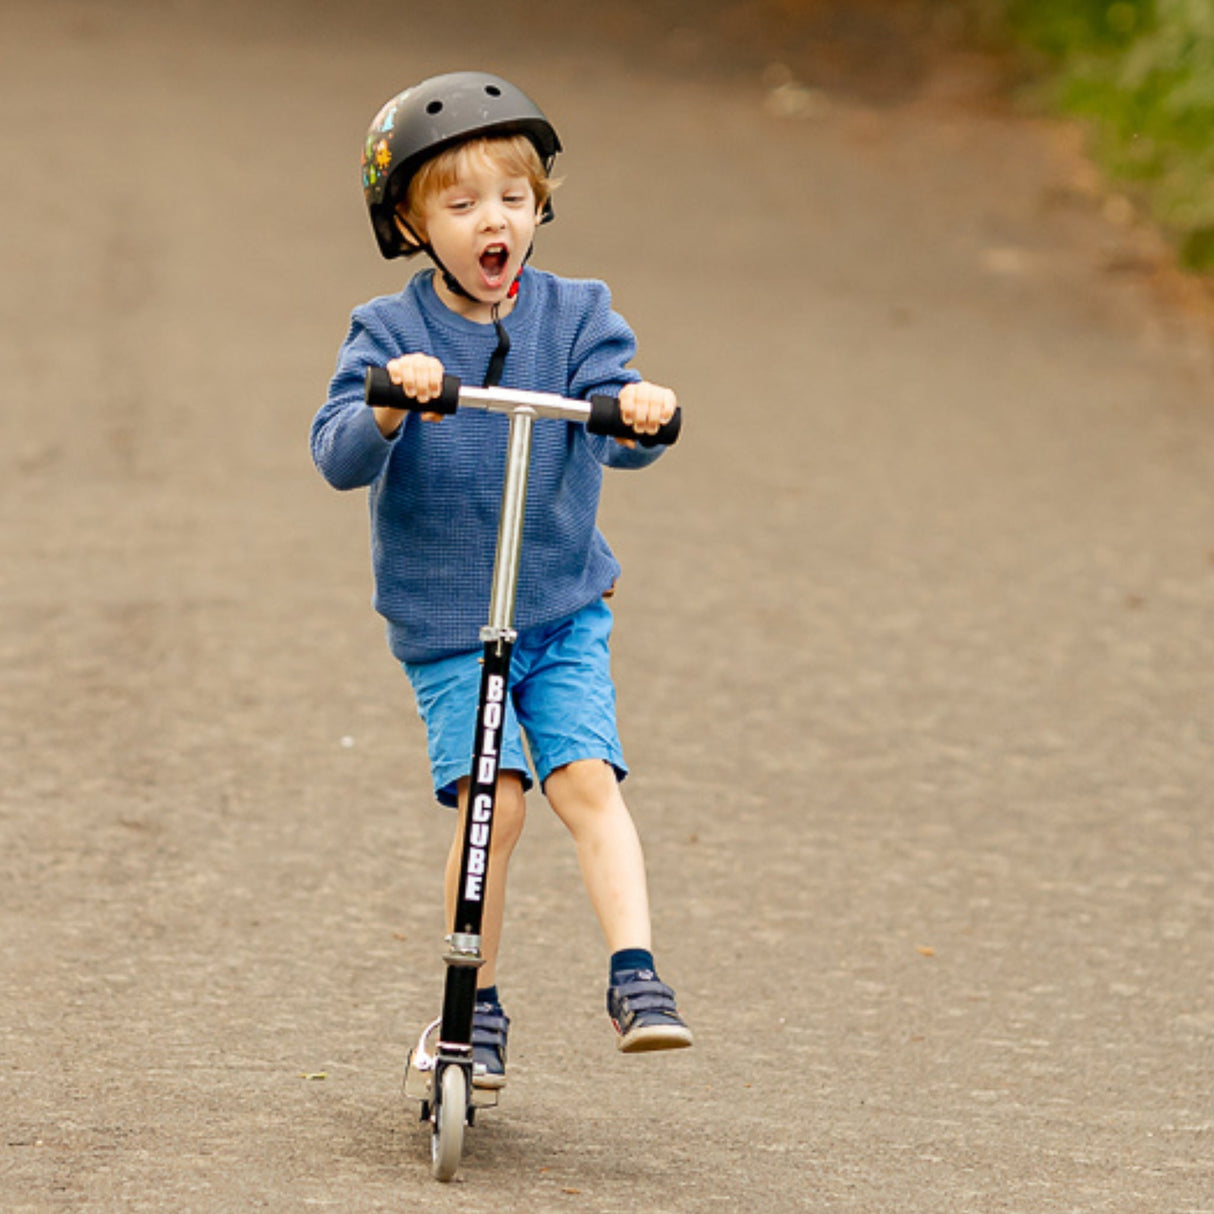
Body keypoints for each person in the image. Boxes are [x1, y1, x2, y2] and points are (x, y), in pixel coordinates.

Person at [311, 71, 692, 1090]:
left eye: (514, 200)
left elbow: (618, 418)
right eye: (462, 201)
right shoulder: (388, 333)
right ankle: (468, 1001)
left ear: (540, 208)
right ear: (409, 220)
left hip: (561, 609)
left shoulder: (577, 313)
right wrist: (391, 405)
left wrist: (638, 407)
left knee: (584, 780)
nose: (495, 222)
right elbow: (337, 450)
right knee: (498, 799)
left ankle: (634, 973)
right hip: (448, 624)